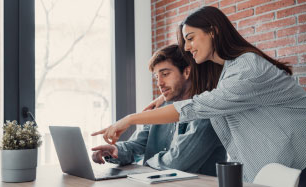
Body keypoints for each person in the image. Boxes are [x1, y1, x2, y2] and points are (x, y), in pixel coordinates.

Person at [92, 6, 306, 182]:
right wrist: (164, 97)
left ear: (213, 31)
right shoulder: (229, 71)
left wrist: (130, 119)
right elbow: (208, 94)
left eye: (191, 38)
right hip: (271, 173)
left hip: (296, 170)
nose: (187, 47)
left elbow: (198, 106)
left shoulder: (248, 68)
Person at [91, 44, 226, 176]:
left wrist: (143, 165)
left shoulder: (206, 111)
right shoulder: (161, 107)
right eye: (157, 77)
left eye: (165, 74)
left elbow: (176, 163)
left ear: (186, 72)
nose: (159, 83)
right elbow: (139, 144)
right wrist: (116, 150)